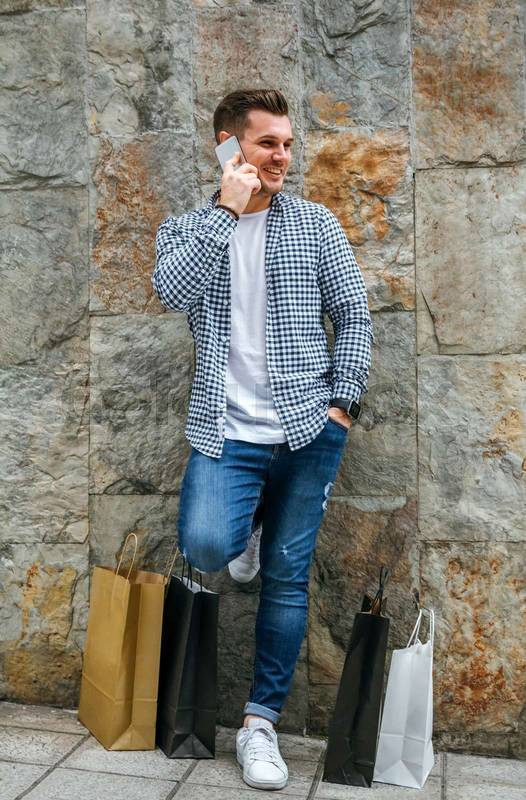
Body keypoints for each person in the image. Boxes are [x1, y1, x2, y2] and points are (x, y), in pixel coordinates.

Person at [152, 89, 373, 791]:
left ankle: (259, 724)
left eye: (287, 144)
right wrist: (226, 210)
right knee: (205, 546)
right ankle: (247, 523)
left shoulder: (315, 224)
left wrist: (343, 403)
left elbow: (354, 315)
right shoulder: (187, 229)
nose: (282, 157)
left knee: (285, 577)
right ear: (229, 146)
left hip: (310, 431)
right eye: (266, 143)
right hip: (226, 433)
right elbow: (172, 292)